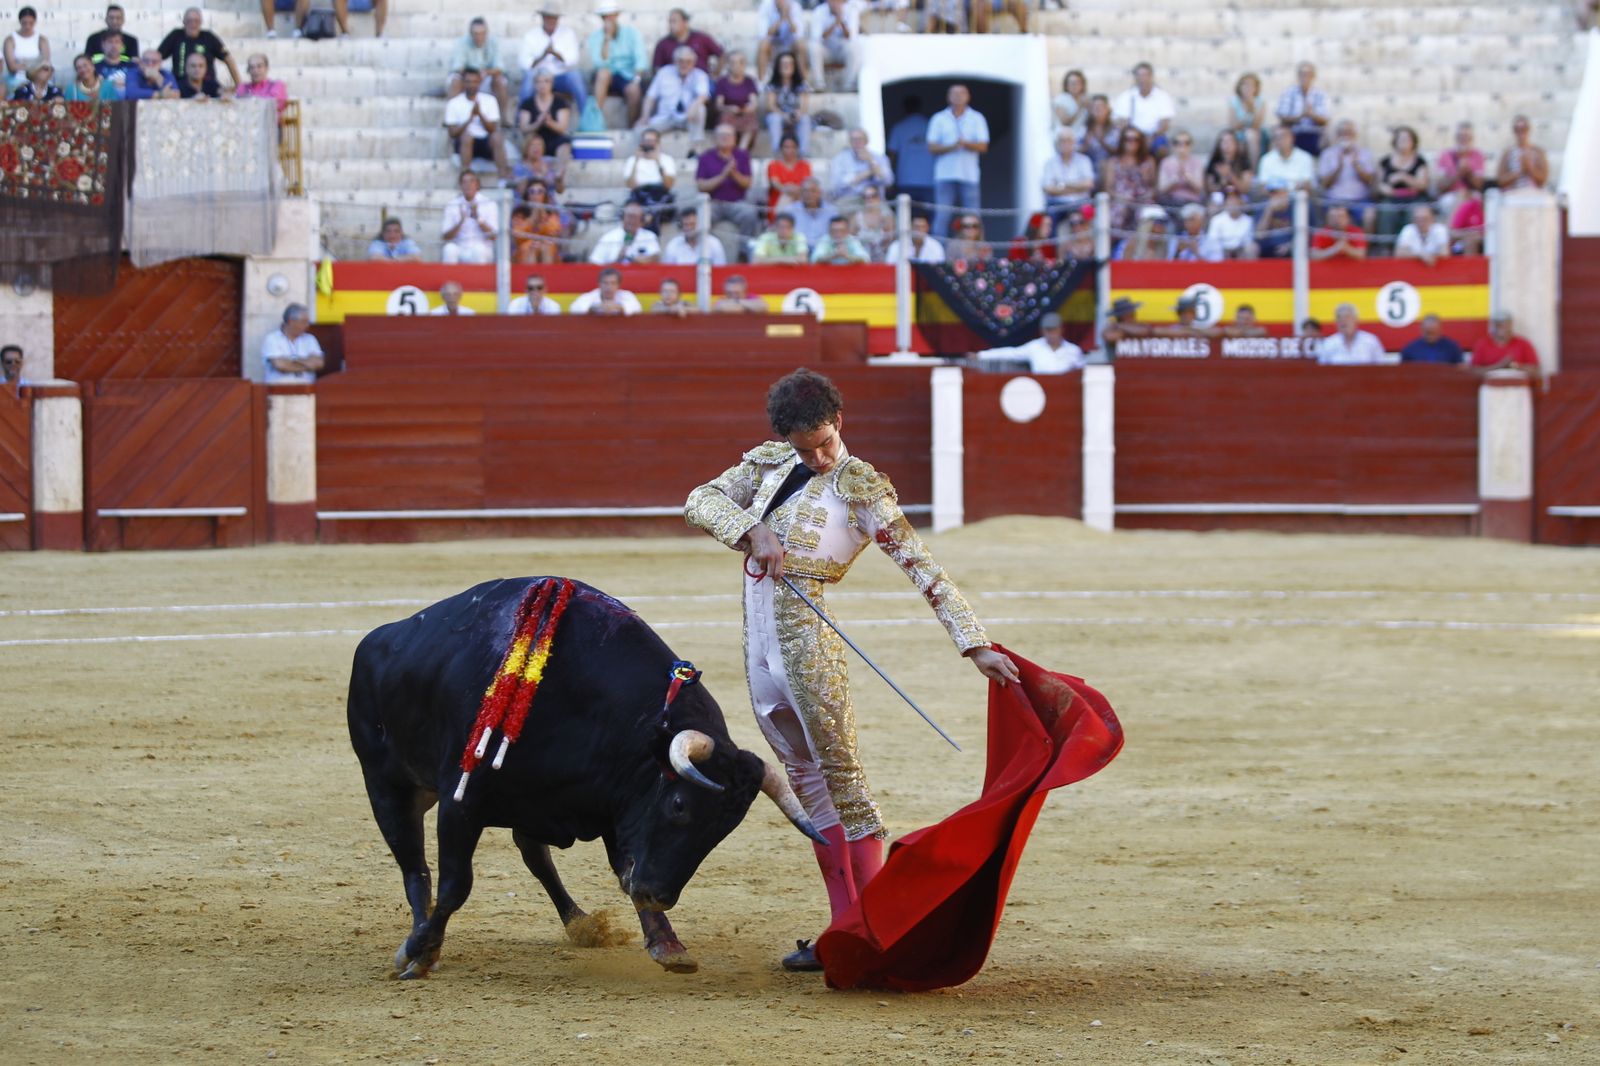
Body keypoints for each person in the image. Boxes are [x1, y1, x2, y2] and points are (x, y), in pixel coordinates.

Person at [682, 367, 1019, 972]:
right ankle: (845, 930)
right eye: (803, 449)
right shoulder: (767, 463)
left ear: (839, 421)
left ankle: (879, 932)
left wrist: (975, 645)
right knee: (805, 781)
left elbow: (924, 568)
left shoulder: (862, 488)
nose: (816, 459)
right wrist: (753, 529)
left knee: (846, 786)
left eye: (824, 443)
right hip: (759, 645)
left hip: (810, 646)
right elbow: (699, 500)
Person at [927, 84, 989, 242]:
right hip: (944, 175)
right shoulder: (939, 118)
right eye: (954, 94)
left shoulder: (977, 118)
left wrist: (965, 144)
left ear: (968, 97)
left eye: (962, 93)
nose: (958, 97)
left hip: (969, 175)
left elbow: (983, 146)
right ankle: (939, 252)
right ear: (948, 97)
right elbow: (931, 147)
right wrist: (952, 146)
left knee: (973, 217)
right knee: (942, 216)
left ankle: (977, 252)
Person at [518, 2, 584, 115]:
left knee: (575, 76)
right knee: (529, 78)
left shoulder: (568, 34)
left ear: (558, 19)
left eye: (553, 18)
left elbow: (573, 60)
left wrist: (556, 54)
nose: (551, 21)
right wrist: (543, 55)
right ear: (542, 18)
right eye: (548, 18)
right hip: (539, 77)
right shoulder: (531, 35)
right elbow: (524, 63)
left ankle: (587, 118)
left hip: (560, 77)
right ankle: (521, 119)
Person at [588, 1, 646, 127]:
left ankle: (631, 127)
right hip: (606, 77)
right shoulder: (595, 37)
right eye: (605, 17)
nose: (609, 20)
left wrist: (636, 80)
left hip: (628, 76)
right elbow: (600, 63)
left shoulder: (631, 33)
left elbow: (641, 60)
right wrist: (607, 40)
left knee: (634, 90)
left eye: (611, 16)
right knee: (603, 73)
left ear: (617, 16)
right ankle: (595, 121)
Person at [640, 45, 710, 149]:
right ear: (674, 61)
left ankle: (696, 147)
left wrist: (693, 107)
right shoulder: (664, 72)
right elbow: (650, 97)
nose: (684, 64)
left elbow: (703, 96)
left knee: (700, 109)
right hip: (666, 116)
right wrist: (644, 116)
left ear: (694, 62)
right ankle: (647, 153)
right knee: (641, 130)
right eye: (681, 61)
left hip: (688, 117)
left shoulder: (700, 75)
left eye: (688, 61)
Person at [444, 68, 509, 179]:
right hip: (464, 143)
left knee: (497, 136)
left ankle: (503, 178)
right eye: (468, 82)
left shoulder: (490, 100)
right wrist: (469, 119)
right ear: (463, 83)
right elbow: (452, 133)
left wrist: (480, 114)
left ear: (480, 82)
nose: (471, 85)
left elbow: (492, 129)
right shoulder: (454, 103)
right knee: (467, 136)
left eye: (475, 81)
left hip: (485, 142)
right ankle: (465, 176)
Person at [695, 124, 758, 236]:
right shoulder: (705, 157)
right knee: (702, 216)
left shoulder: (743, 156)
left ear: (734, 138)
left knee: (750, 214)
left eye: (728, 135)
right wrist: (723, 175)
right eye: (722, 135)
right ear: (714, 138)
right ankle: (707, 246)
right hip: (713, 202)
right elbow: (701, 186)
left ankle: (745, 247)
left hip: (737, 202)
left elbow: (747, 183)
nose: (725, 138)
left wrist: (734, 174)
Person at [975, 313, 1084, 373]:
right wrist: (981, 355)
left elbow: (1082, 372)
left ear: (1061, 329)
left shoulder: (1073, 350)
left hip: (1066, 393)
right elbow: (1011, 353)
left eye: (1054, 330)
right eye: (1048, 330)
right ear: (1042, 331)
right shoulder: (1035, 347)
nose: (1051, 334)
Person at [1316, 119, 1377, 229]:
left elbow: (1370, 181)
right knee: (1333, 216)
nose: (1346, 136)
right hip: (1334, 200)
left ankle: (1365, 240)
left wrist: (1357, 166)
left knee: (1369, 215)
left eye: (1349, 132)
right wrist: (1338, 167)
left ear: (1355, 135)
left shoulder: (1365, 153)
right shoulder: (1328, 154)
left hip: (1360, 199)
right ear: (1337, 135)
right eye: (1342, 133)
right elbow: (1324, 184)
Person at [159, 8, 241, 88]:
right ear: (183, 22)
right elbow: (156, 57)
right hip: (181, 85)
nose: (193, 24)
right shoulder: (176, 36)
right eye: (189, 21)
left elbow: (228, 59)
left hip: (208, 85)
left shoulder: (209, 37)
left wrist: (239, 86)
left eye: (196, 21)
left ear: (201, 22)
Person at [1375, 126, 1429, 244]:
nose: (1404, 142)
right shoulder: (1385, 161)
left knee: (1414, 211)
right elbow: (1379, 184)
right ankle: (1385, 246)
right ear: (1395, 141)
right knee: (1387, 210)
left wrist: (1404, 177)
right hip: (1391, 198)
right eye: (1401, 139)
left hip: (1414, 198)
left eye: (1407, 139)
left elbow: (1423, 185)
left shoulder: (1420, 161)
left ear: (1413, 142)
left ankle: (1411, 245)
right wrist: (1386, 190)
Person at [448, 18, 510, 117]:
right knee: (455, 81)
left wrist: (486, 73)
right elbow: (458, 68)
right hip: (467, 77)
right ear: (470, 33)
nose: (479, 37)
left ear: (487, 32)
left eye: (482, 33)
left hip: (487, 77)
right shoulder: (462, 42)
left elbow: (500, 68)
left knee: (500, 81)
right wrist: (473, 76)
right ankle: (452, 118)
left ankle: (503, 118)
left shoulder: (494, 42)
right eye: (476, 34)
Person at [1111, 62, 1175, 156]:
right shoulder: (1126, 96)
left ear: (1151, 76)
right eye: (1139, 75)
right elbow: (1122, 122)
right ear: (1135, 77)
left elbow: (1165, 124)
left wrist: (1151, 137)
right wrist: (1138, 138)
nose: (1142, 79)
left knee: (1162, 149)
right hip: (1132, 135)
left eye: (1145, 75)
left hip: (1155, 135)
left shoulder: (1163, 96)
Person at [1101, 126, 1155, 234]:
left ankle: (1137, 243)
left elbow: (1154, 186)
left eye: (1136, 139)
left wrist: (1148, 194)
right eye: (1128, 139)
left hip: (1142, 200)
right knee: (1117, 213)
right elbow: (1108, 188)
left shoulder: (1148, 161)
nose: (1132, 142)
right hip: (1120, 199)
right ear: (1122, 141)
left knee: (1148, 216)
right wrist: (1120, 197)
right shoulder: (1113, 161)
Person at [886, 94, 934, 211]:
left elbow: (891, 155)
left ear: (905, 109)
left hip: (905, 180)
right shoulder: (930, 125)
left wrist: (889, 179)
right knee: (929, 217)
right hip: (929, 180)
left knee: (906, 216)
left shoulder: (899, 127)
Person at [441, 171, 499, 265]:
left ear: (477, 184)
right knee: (449, 249)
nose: (468, 185)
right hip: (460, 247)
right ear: (460, 185)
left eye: (471, 181)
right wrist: (460, 222)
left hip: (482, 248)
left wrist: (478, 218)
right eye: (464, 182)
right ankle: (450, 276)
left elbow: (494, 236)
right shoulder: (452, 204)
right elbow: (445, 237)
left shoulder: (489, 203)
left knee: (478, 250)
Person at [517, 70, 574, 165]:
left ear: (552, 84)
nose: (542, 85)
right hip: (534, 138)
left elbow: (562, 128)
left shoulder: (560, 103)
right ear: (534, 84)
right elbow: (523, 128)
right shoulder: (527, 103)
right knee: (533, 143)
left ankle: (560, 171)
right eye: (539, 82)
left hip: (554, 139)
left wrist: (549, 122)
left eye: (546, 81)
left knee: (565, 143)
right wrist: (538, 123)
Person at [763, 50, 813, 158]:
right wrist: (784, 115)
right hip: (779, 114)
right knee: (774, 118)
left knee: (805, 119)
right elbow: (770, 106)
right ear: (778, 66)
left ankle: (803, 154)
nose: (787, 66)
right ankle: (778, 153)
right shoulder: (772, 84)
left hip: (795, 115)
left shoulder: (801, 84)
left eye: (790, 63)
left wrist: (799, 113)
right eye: (784, 64)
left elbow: (804, 105)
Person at [829, 128, 894, 210]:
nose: (857, 142)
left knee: (889, 214)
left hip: (875, 201)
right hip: (850, 201)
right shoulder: (840, 159)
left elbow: (888, 181)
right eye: (853, 139)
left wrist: (871, 161)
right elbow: (838, 186)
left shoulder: (879, 158)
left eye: (860, 139)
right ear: (849, 142)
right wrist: (867, 173)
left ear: (866, 141)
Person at [623, 128, 677, 223]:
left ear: (658, 143)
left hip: (659, 195)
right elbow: (631, 186)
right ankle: (650, 217)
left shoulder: (667, 160)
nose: (648, 144)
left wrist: (658, 161)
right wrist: (636, 161)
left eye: (652, 141)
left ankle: (649, 218)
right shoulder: (632, 160)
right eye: (646, 141)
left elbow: (668, 185)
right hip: (640, 195)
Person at [1275, 62, 1329, 157]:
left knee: (1328, 135)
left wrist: (1311, 115)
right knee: (1280, 133)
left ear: (1313, 76)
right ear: (1298, 76)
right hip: (1294, 131)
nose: (1305, 77)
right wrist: (1300, 116)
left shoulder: (1321, 95)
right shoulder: (1288, 93)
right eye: (1302, 74)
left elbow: (1325, 120)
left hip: (1314, 132)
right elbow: (1282, 118)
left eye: (1308, 74)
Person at [1041, 129, 1095, 223]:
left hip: (1080, 202)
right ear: (1057, 143)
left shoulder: (1084, 160)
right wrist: (1078, 188)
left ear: (1074, 142)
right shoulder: (1050, 163)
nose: (1065, 144)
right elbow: (1047, 188)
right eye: (1062, 140)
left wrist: (1063, 185)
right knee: (1048, 219)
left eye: (1068, 140)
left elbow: (1089, 184)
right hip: (1057, 204)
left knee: (1087, 213)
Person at [262, 305, 325, 384]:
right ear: (291, 321)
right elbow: (281, 366)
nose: (307, 325)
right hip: (279, 388)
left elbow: (319, 363)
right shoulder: (272, 339)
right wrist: (308, 364)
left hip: (307, 388)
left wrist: (291, 361)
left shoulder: (310, 339)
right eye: (304, 322)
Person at [713, 51, 761, 151]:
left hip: (745, 114)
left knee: (751, 117)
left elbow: (754, 102)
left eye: (740, 62)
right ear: (728, 65)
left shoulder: (749, 81)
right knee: (725, 118)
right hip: (728, 114)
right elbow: (719, 105)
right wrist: (729, 108)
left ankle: (742, 151)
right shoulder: (722, 82)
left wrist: (748, 108)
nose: (737, 66)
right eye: (733, 62)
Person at [651, 8, 722, 73]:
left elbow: (721, 55)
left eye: (674, 21)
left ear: (685, 23)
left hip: (701, 79)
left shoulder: (701, 38)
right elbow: (657, 68)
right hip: (672, 81)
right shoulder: (663, 44)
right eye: (670, 22)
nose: (671, 25)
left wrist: (716, 74)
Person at [808, 0, 859, 90]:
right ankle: (819, 84)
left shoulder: (851, 10)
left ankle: (849, 85)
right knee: (813, 47)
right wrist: (835, 23)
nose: (835, 3)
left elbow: (851, 37)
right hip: (826, 49)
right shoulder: (819, 11)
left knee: (854, 48)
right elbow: (817, 37)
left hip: (842, 49)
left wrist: (841, 21)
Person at [589, 203, 663, 265]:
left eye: (635, 217)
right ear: (623, 218)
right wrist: (618, 260)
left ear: (641, 220)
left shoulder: (650, 236)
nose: (631, 221)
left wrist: (633, 258)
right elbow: (594, 263)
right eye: (629, 217)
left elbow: (656, 257)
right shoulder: (608, 238)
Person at [1469, 313, 1540, 377]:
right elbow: (1474, 371)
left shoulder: (1523, 343)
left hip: (1518, 385)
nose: (1503, 329)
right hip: (1490, 385)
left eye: (1506, 325)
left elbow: (1535, 370)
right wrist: (1499, 365)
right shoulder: (1482, 344)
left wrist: (1515, 365)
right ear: (1493, 326)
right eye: (1499, 325)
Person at [756, 0, 809, 84]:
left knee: (801, 45)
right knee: (763, 45)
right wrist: (781, 18)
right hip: (773, 44)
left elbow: (798, 33)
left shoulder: (795, 6)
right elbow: (765, 34)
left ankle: (803, 82)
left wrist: (788, 17)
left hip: (790, 44)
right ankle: (761, 83)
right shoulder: (765, 6)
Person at [1317, 303, 1385, 365]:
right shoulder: (1329, 343)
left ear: (1356, 320)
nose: (1343, 321)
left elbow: (1381, 368)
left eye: (1347, 317)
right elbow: (1322, 370)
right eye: (1339, 318)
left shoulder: (1370, 341)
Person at [766, 132, 812, 223]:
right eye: (786, 147)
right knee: (786, 197)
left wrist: (793, 190)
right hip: (778, 202)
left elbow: (807, 185)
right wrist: (788, 189)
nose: (789, 150)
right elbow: (775, 184)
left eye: (793, 147)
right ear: (781, 148)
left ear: (797, 148)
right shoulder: (773, 165)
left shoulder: (805, 165)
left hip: (799, 200)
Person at [1257, 124, 1315, 193]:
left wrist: (1287, 190)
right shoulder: (1266, 159)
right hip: (1274, 196)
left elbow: (1308, 184)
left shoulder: (1305, 158)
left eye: (1283, 136)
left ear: (1292, 138)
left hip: (1298, 196)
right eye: (1276, 137)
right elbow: (1262, 187)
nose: (1280, 140)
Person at [1496, 115, 1549, 192]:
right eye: (1517, 129)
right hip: (1513, 193)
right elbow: (1501, 181)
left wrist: (1529, 168)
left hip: (1534, 194)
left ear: (1529, 129)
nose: (1521, 132)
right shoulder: (1507, 153)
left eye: (1524, 129)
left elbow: (1543, 180)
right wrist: (1520, 171)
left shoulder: (1538, 152)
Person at [1156, 129, 1205, 207]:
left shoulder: (1197, 162)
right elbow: (1161, 189)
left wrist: (1186, 175)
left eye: (1186, 143)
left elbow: (1200, 189)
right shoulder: (1166, 162)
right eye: (1177, 143)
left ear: (1191, 145)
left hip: (1191, 202)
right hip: (1169, 202)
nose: (1182, 146)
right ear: (1173, 145)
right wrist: (1175, 179)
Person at [5, 7, 47, 95]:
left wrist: (22, 65)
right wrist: (34, 64)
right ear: (20, 21)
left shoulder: (41, 39)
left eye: (31, 23)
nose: (27, 26)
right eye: (24, 23)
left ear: (35, 22)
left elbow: (46, 65)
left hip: (37, 78)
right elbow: (11, 67)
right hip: (17, 78)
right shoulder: (10, 40)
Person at [662, 209, 728, 265]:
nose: (689, 228)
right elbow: (668, 271)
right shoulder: (673, 245)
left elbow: (721, 269)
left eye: (692, 224)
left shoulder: (714, 243)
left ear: (700, 225)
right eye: (686, 224)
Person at [1227, 72, 1267, 165]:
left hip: (1257, 134)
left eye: (1251, 85)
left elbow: (1256, 125)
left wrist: (1253, 108)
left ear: (1256, 88)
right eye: (1245, 84)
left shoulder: (1260, 101)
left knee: (1251, 135)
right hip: (1238, 133)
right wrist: (1247, 114)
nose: (1248, 88)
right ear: (1239, 87)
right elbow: (1234, 126)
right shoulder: (1233, 101)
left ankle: (1254, 168)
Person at [1205, 129, 1254, 200]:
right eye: (1224, 141)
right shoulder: (1214, 162)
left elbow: (1245, 189)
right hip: (1219, 199)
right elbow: (1210, 189)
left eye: (1230, 141)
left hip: (1239, 198)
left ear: (1236, 144)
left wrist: (1230, 175)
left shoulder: (1243, 162)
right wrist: (1222, 181)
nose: (1227, 145)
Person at [1207, 190, 1257, 259]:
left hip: (1240, 252)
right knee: (1215, 252)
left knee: (1252, 248)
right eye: (1230, 200)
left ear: (1241, 202)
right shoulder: (1216, 219)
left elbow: (1248, 241)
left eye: (1235, 199)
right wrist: (1226, 251)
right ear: (1225, 203)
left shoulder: (1248, 220)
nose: (1232, 203)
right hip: (1222, 251)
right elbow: (1213, 240)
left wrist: (1238, 251)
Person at [569, 267, 642, 315]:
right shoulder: (589, 296)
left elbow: (637, 308)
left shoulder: (627, 296)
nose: (609, 287)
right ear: (599, 284)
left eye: (613, 283)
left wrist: (619, 307)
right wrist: (593, 308)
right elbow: (574, 309)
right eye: (605, 283)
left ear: (618, 285)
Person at [237, 53, 288, 119]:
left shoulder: (277, 85)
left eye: (259, 66)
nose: (255, 70)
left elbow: (272, 105)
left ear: (267, 68)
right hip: (246, 122)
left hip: (269, 123)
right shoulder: (243, 87)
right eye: (252, 67)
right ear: (248, 71)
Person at [850, 186, 893, 263]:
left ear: (879, 198)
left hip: (883, 257)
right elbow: (850, 239)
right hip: (861, 259)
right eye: (866, 197)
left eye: (873, 196)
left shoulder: (887, 217)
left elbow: (890, 239)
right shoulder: (856, 218)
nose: (870, 199)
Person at [790, 177, 837, 248]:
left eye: (813, 191)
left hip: (824, 249)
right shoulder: (791, 210)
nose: (809, 194)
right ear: (801, 193)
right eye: (805, 191)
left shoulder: (831, 210)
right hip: (799, 249)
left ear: (820, 192)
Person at [1078, 94, 1117, 171]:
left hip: (1110, 169)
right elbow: (1075, 152)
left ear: (1108, 109)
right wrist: (1085, 146)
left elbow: (1120, 152)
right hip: (1088, 168)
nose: (1098, 109)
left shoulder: (1115, 129)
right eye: (1095, 107)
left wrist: (1103, 142)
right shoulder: (1084, 129)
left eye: (1101, 107)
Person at [91, 32, 135, 97]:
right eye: (110, 42)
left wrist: (106, 83)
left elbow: (137, 87)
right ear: (103, 45)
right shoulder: (93, 68)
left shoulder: (133, 67)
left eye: (117, 42)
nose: (114, 46)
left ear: (122, 46)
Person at [1053, 69, 1088, 134]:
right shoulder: (1061, 99)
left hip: (1082, 136)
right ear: (1066, 85)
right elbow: (1065, 122)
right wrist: (1080, 107)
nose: (1075, 85)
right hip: (1066, 137)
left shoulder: (1085, 98)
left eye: (1077, 82)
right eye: (1072, 83)